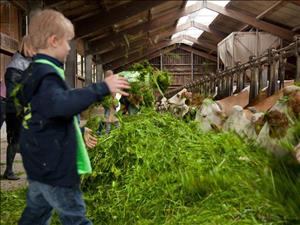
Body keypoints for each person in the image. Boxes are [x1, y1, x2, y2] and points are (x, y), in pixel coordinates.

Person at [17, 9, 129, 225]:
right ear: (54, 41)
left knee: (36, 214)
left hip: (39, 162)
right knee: (75, 217)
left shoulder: (33, 72)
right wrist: (102, 87)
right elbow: (62, 104)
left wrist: (78, 128)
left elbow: (45, 112)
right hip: (55, 166)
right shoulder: (47, 75)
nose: (70, 49)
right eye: (68, 43)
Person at [3, 36, 35, 180]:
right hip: (15, 109)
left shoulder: (28, 63)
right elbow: (13, 93)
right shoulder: (15, 66)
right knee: (15, 141)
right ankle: (9, 171)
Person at [98, 70, 120, 134]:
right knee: (108, 123)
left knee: (113, 121)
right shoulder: (105, 84)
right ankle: (104, 134)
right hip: (109, 106)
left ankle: (100, 131)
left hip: (111, 106)